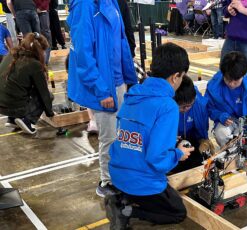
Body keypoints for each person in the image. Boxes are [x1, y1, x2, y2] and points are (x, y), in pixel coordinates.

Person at [105, 43, 193, 229]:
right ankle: (128, 211)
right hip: (142, 182)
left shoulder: (133, 94)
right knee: (178, 213)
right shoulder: (167, 106)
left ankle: (121, 197)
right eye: (182, 76)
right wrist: (178, 154)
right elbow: (157, 159)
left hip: (117, 173)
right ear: (175, 76)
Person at [67, 0, 137, 197]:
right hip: (104, 86)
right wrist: (101, 90)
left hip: (118, 81)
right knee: (109, 137)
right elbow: (83, 54)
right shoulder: (85, 5)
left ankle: (119, 176)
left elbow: (121, 41)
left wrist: (128, 77)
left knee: (121, 135)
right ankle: (107, 182)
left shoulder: (111, 2)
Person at [205, 51, 247, 175]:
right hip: (227, 121)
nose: (231, 84)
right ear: (223, 74)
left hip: (244, 123)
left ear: (243, 75)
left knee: (242, 140)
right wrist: (220, 116)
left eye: (236, 81)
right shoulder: (213, 86)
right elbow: (208, 107)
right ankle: (232, 158)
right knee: (221, 133)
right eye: (228, 80)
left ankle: (240, 155)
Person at [0, 33, 54, 135]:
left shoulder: (12, 54)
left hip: (1, 104)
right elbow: (44, 93)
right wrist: (50, 113)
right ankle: (27, 121)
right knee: (49, 96)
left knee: (19, 87)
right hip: (14, 106)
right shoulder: (34, 64)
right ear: (39, 50)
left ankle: (12, 119)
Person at [172, 76, 213, 173]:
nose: (186, 109)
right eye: (182, 107)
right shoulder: (167, 107)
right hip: (173, 140)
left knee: (199, 160)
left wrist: (204, 143)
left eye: (189, 105)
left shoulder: (199, 104)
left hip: (192, 139)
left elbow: (202, 133)